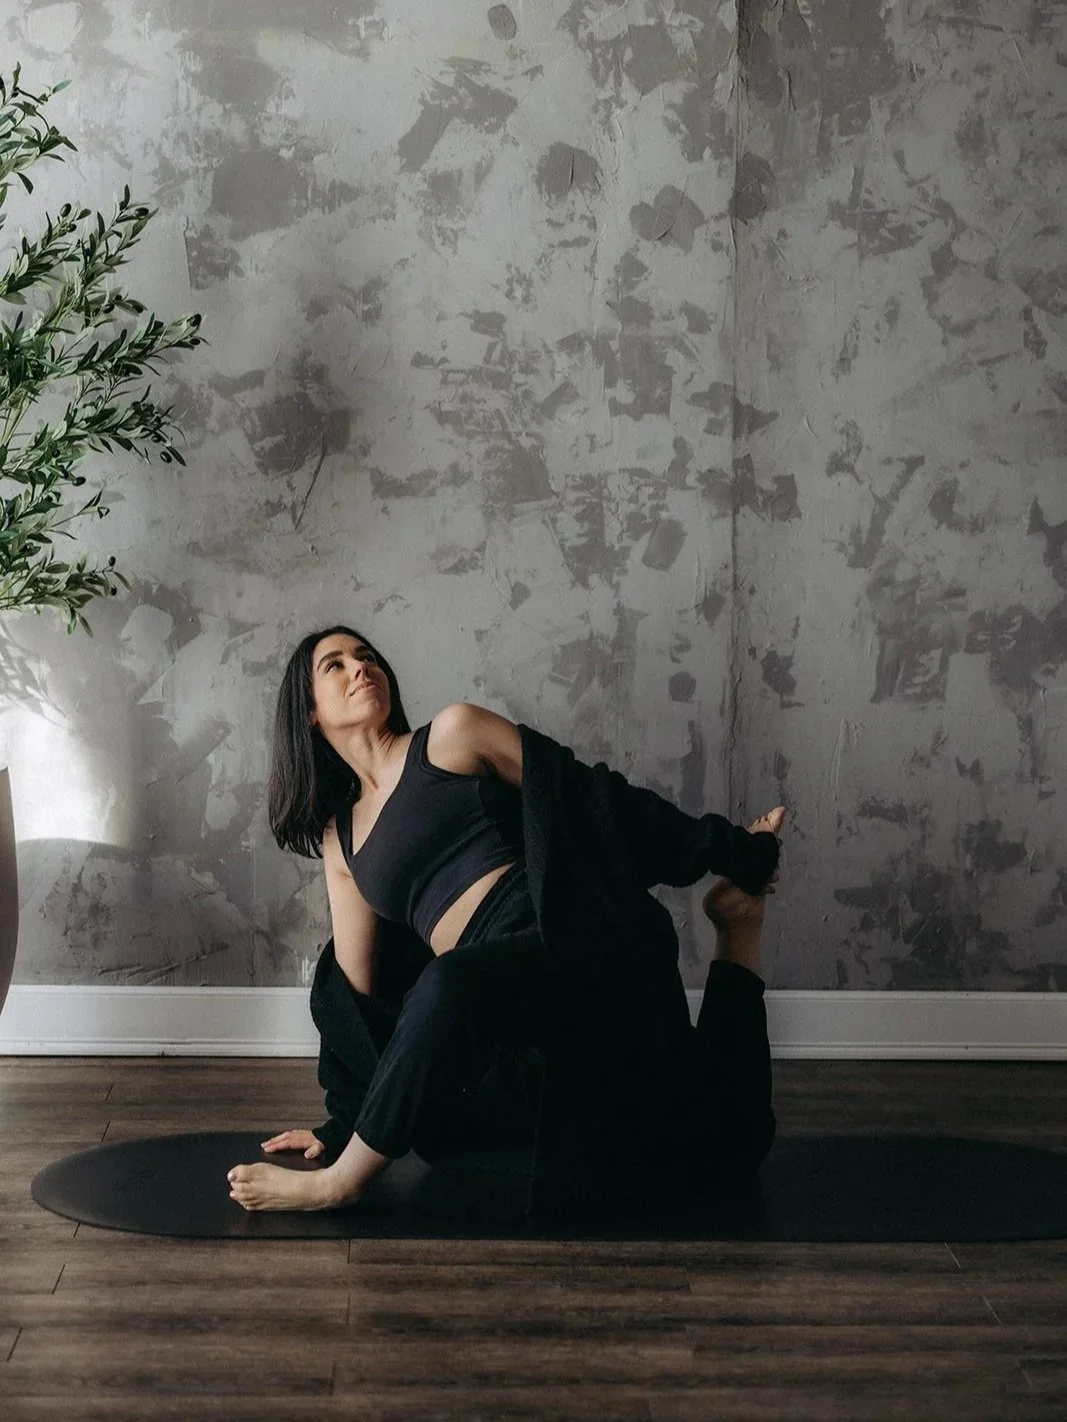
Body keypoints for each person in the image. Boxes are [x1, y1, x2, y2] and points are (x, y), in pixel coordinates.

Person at [227, 624, 785, 1212]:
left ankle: (340, 1185)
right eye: (334, 665)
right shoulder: (342, 842)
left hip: (574, 940)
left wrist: (729, 851)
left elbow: (591, 798)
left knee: (446, 983)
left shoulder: (450, 736)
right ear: (309, 714)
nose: (360, 667)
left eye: (366, 656)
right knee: (706, 1143)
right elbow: (352, 998)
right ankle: (737, 929)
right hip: (503, 995)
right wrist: (342, 1120)